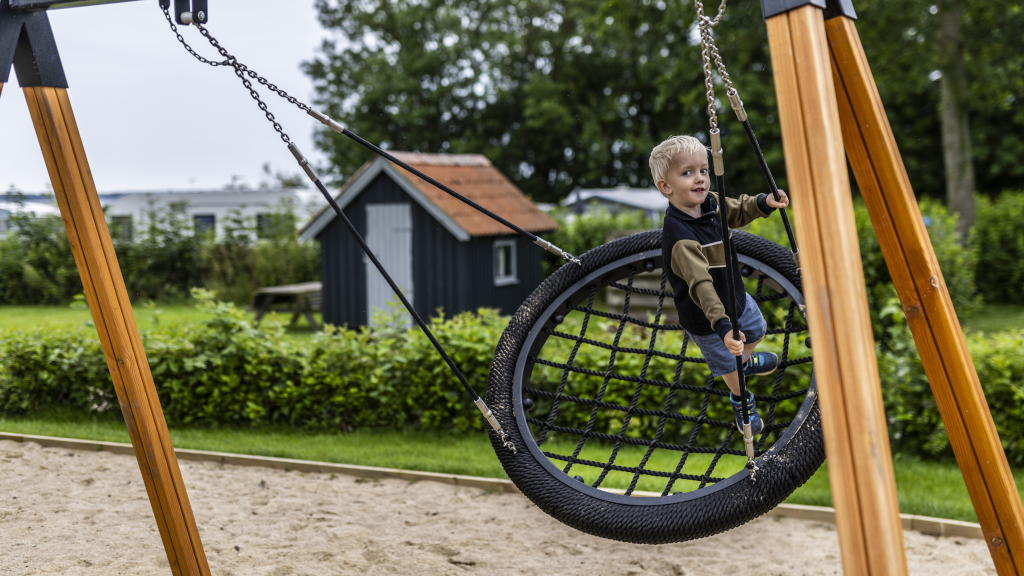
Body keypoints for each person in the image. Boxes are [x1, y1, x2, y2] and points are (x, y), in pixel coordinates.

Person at [651, 135, 790, 435]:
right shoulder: (680, 237)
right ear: (666, 186)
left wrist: (763, 202)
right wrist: (724, 328)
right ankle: (741, 400)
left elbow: (736, 210)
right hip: (708, 319)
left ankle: (747, 363)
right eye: (687, 173)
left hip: (735, 297)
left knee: (758, 329)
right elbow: (701, 286)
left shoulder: (710, 203)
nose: (700, 178)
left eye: (703, 170)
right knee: (730, 365)